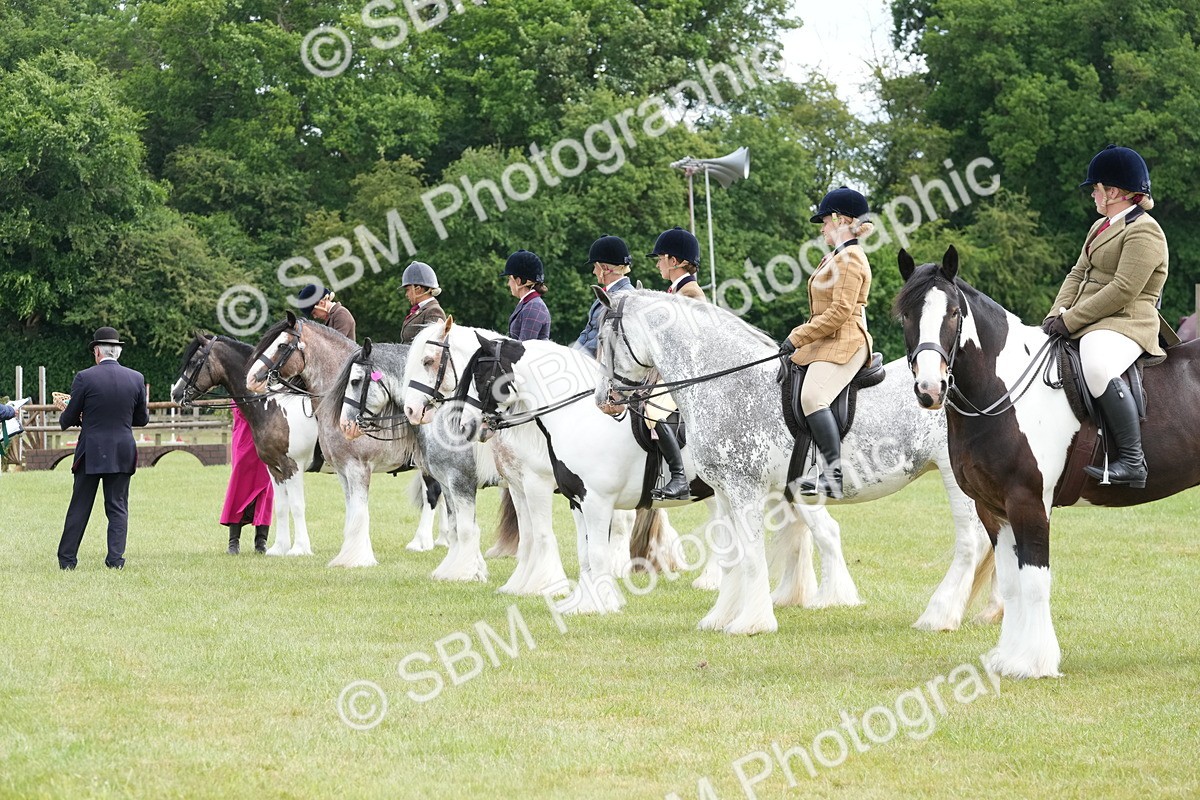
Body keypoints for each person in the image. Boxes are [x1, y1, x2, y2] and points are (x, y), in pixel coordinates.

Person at [1042, 145, 1172, 489]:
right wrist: (1055, 314)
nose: (1093, 194)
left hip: (1127, 321)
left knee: (1097, 365)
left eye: (1096, 188)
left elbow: (1123, 289)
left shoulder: (1145, 231)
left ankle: (1133, 460)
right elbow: (1077, 273)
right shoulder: (1101, 226)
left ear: (1113, 191)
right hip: (1094, 317)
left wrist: (1071, 321)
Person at [780, 187, 874, 500]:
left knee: (812, 397)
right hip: (825, 340)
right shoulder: (836, 257)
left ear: (841, 220)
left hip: (846, 339)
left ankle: (833, 474)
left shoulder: (850, 259)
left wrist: (797, 336)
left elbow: (838, 313)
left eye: (824, 221)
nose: (821, 228)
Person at [54, 327, 150, 570]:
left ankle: (67, 561)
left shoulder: (84, 377)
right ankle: (115, 560)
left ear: (97, 351)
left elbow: (67, 419)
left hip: (91, 451)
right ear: (117, 351)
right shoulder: (136, 378)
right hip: (122, 450)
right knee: (118, 507)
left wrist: (75, 415)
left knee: (80, 506)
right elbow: (142, 419)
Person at [644, 226, 707, 500]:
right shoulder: (673, 291)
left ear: (675, 261)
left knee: (654, 410)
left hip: (687, 372)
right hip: (672, 370)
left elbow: (681, 341)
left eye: (660, 258)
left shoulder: (690, 293)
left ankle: (680, 477)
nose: (657, 263)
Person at [221, 407, 274, 554]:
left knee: (266, 490)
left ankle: (261, 541)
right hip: (244, 440)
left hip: (265, 443)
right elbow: (243, 411)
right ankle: (233, 542)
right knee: (239, 489)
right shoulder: (239, 385)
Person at [575, 235, 634, 356]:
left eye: (595, 267)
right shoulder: (610, 293)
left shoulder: (622, 298)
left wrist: (573, 359)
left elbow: (598, 340)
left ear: (604, 268)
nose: (593, 272)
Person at [501, 250, 551, 341]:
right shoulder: (528, 304)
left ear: (518, 281)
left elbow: (524, 349)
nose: (508, 284)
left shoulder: (534, 306)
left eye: (509, 279)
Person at [650, 226, 707, 300]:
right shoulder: (681, 289)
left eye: (660, 259)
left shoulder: (690, 293)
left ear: (673, 261)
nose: (657, 265)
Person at [399, 261, 447, 344]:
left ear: (418, 289)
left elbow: (431, 349)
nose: (406, 294)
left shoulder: (433, 312)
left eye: (407, 290)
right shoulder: (421, 310)